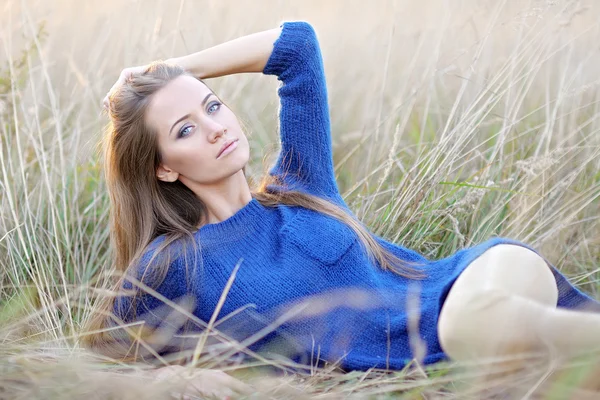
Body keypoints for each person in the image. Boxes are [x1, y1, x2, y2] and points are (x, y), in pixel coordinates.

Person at [83, 20, 600, 382]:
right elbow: (107, 355)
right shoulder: (173, 263)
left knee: (474, 327)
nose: (216, 128)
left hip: (475, 288)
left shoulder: (300, 186)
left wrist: (175, 69)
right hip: (468, 367)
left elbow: (297, 47)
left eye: (213, 106)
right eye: (187, 128)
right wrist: (176, 379)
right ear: (164, 167)